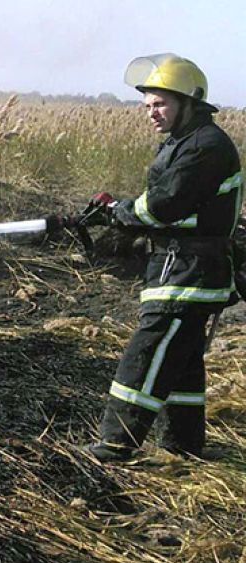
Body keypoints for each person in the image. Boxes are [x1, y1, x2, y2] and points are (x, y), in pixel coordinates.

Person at [80, 53, 241, 462]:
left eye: (161, 104)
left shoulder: (207, 146)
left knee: (147, 352)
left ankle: (115, 444)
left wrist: (120, 212)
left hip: (190, 272)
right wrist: (121, 211)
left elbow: (164, 205)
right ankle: (183, 447)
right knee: (182, 361)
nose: (152, 113)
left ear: (190, 102)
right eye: (148, 105)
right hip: (182, 267)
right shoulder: (184, 142)